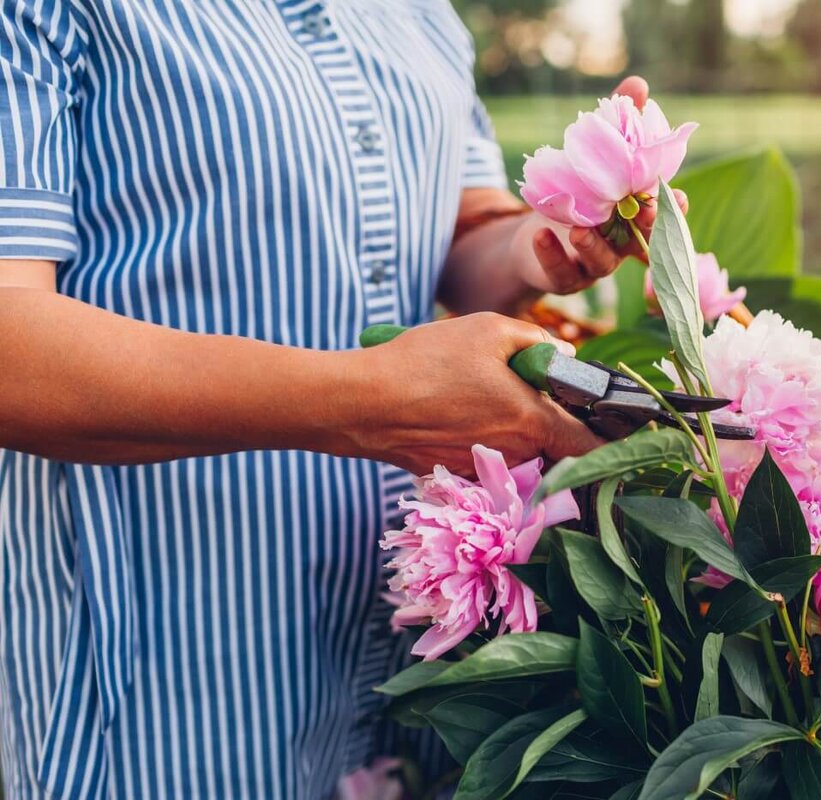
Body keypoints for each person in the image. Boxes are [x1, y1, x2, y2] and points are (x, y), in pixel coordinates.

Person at [0, 2, 677, 797]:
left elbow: (457, 229)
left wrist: (544, 242)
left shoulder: (419, 17)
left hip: (400, 668)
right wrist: (369, 401)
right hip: (174, 689)